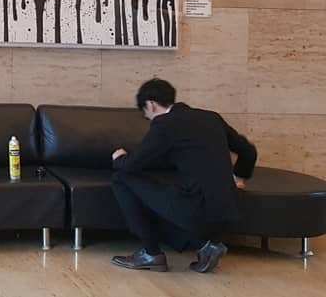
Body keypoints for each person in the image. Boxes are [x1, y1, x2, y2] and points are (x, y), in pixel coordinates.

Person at [109, 78, 257, 274]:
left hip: (199, 210)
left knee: (121, 178)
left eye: (146, 114)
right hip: (229, 209)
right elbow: (248, 151)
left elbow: (132, 165)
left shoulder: (165, 124)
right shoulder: (211, 117)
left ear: (151, 104)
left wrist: (119, 158)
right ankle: (205, 246)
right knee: (167, 196)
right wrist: (238, 178)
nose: (149, 119)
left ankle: (151, 253)